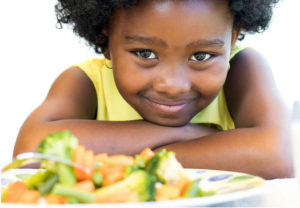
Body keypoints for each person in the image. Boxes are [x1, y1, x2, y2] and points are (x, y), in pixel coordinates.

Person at [14, 0, 293, 179]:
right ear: (105, 34)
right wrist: (187, 135)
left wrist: (114, 160)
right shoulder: (86, 82)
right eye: (145, 53)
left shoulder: (243, 68)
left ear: (232, 37)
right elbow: (30, 154)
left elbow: (277, 158)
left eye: (201, 57)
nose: (172, 86)